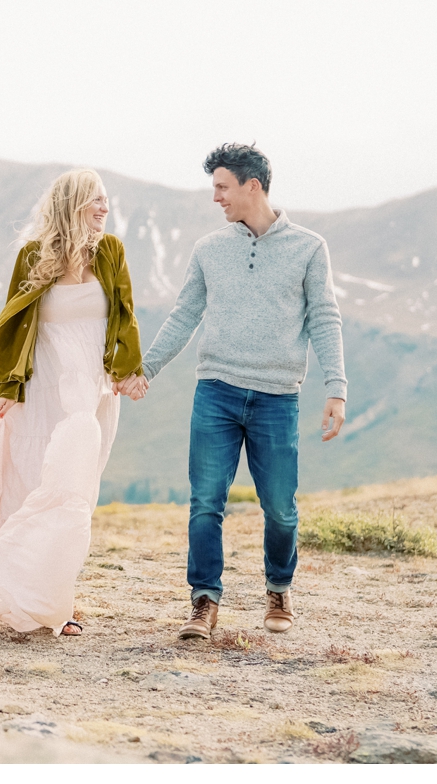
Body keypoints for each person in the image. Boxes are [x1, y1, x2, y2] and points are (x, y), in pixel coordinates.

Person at [118, 143, 346, 640]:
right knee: (205, 503)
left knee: (281, 508)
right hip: (216, 391)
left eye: (222, 187)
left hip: (277, 396)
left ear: (252, 186)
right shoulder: (209, 249)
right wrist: (147, 369)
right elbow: (184, 314)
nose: (215, 198)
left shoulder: (309, 247)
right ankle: (204, 601)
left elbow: (324, 317)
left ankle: (279, 588)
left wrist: (336, 386)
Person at [0, 169, 145, 637]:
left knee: (77, 495)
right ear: (72, 203)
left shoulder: (111, 251)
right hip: (42, 391)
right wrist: (5, 390)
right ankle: (38, 604)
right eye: (95, 199)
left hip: (91, 393)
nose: (103, 207)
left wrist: (127, 370)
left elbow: (125, 315)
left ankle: (53, 600)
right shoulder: (33, 256)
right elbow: (13, 326)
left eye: (106, 199)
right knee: (33, 487)